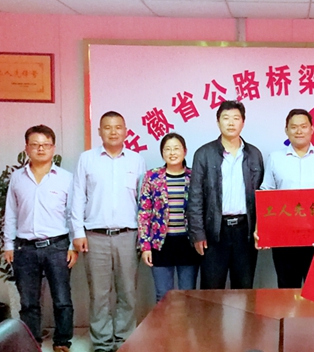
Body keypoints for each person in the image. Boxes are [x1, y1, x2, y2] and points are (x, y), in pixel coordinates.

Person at [71, 111, 146, 352]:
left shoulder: (136, 160)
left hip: (128, 236)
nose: (113, 132)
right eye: (107, 127)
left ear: (126, 131)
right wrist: (78, 232)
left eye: (117, 127)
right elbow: (77, 197)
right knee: (99, 294)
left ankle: (124, 341)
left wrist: (143, 237)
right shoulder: (87, 159)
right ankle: (102, 344)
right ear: (99, 131)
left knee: (128, 292)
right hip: (95, 237)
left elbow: (143, 201)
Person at [3, 125, 76, 352]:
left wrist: (73, 245)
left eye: (45, 144)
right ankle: (32, 343)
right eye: (35, 145)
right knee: (28, 302)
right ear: (27, 148)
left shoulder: (66, 178)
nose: (40, 149)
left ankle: (62, 341)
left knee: (62, 299)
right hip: (24, 248)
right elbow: (11, 213)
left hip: (58, 246)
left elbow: (72, 214)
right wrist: (8, 245)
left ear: (53, 148)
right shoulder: (17, 178)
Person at [260, 108, 314, 288]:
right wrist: (262, 230)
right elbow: (266, 193)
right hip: (284, 238)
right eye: (294, 127)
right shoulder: (275, 158)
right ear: (286, 130)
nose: (299, 131)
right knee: (287, 290)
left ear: (312, 129)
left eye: (304, 126)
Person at [186, 100, 264, 289]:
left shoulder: (254, 154)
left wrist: (261, 229)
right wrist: (198, 233)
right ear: (218, 121)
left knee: (244, 289)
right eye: (226, 118)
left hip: (245, 232)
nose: (231, 123)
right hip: (214, 232)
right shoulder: (204, 154)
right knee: (211, 290)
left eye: (236, 118)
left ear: (243, 122)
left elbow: (262, 196)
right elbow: (195, 197)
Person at [138, 133, 199, 302]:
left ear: (185, 151)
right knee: (163, 296)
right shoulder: (152, 177)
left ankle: (186, 322)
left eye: (176, 148)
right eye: (168, 149)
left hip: (188, 243)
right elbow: (144, 212)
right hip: (161, 244)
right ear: (162, 153)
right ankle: (164, 322)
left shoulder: (194, 176)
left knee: (188, 296)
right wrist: (145, 246)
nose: (172, 153)